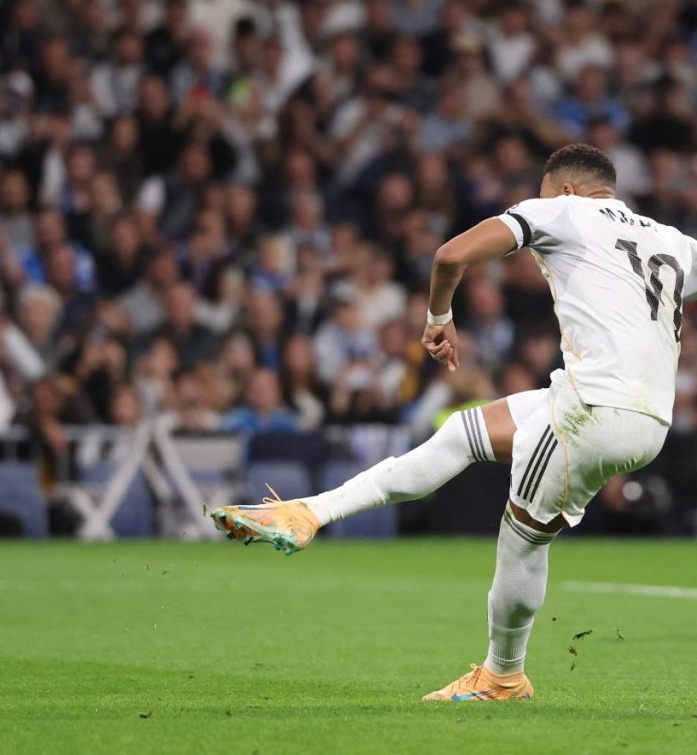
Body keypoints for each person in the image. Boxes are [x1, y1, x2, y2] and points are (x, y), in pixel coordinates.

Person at [210, 144, 697, 701]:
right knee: (463, 434)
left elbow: (449, 256)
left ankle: (502, 676)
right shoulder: (672, 239)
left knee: (522, 541)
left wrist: (439, 318)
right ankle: (310, 512)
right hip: (646, 416)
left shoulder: (560, 211)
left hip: (593, 411)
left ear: (564, 189)